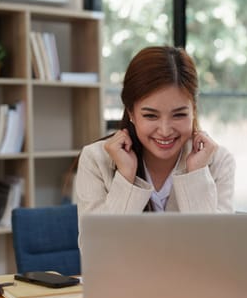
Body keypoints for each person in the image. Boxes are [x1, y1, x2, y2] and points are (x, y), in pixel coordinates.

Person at [75, 46, 235, 219]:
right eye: (151, 116)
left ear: (193, 110)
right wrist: (126, 177)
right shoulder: (95, 160)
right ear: (131, 113)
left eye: (179, 114)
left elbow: (213, 244)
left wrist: (196, 174)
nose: (165, 131)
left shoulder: (218, 162)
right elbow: (100, 244)